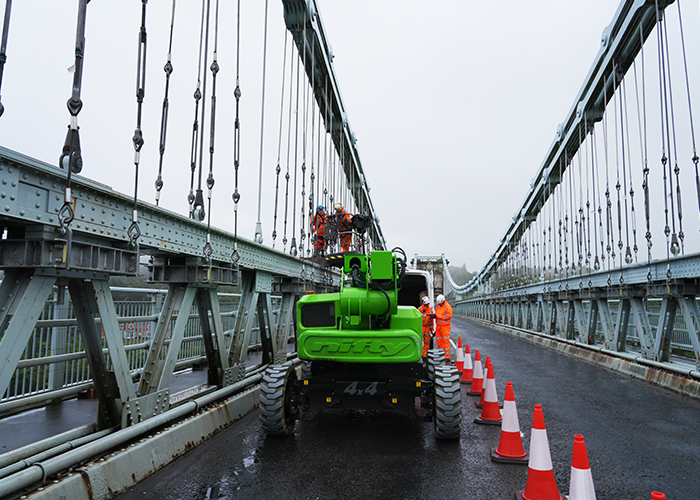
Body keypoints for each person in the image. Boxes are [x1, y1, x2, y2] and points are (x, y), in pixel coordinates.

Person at [434, 294, 452, 360]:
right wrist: (434, 316)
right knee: (439, 341)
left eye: (440, 303)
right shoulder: (438, 307)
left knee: (445, 342)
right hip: (438, 327)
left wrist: (438, 317)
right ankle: (441, 355)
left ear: (443, 301)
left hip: (445, 327)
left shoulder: (447, 307)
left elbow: (448, 316)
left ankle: (447, 357)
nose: (439, 304)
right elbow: (437, 315)